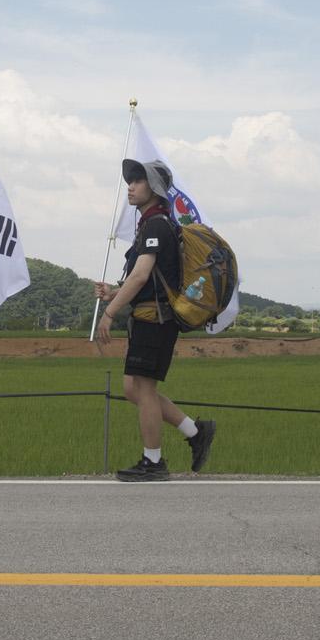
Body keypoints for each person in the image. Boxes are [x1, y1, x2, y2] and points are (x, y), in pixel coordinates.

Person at [93, 158, 217, 482]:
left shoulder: (156, 224)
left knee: (143, 389)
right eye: (130, 181)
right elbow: (142, 280)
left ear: (155, 189)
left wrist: (109, 313)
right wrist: (114, 293)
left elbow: (140, 277)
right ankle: (195, 432)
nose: (131, 186)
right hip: (150, 317)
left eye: (138, 181)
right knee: (133, 388)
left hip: (156, 320)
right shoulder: (151, 224)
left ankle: (154, 462)